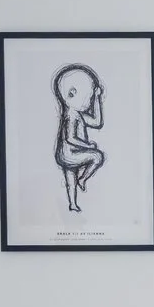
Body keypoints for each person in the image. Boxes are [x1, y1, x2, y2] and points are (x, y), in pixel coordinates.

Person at [52, 64, 105, 212]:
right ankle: (82, 179)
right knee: (97, 156)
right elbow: (70, 138)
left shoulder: (77, 114)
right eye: (88, 96)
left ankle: (73, 204)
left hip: (67, 154)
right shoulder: (71, 115)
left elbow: (97, 122)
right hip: (69, 154)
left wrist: (96, 97)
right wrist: (88, 146)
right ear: (72, 93)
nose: (88, 102)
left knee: (70, 179)